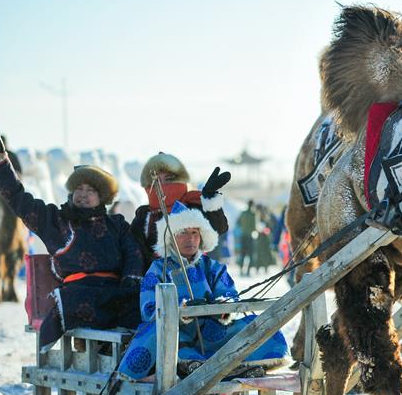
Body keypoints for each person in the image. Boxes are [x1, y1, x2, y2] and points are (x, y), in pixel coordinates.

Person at [0, 127, 143, 351]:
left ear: (102, 197)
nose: (83, 194)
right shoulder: (56, 221)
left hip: (114, 293)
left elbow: (133, 254)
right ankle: (91, 347)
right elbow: (20, 200)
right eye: (79, 188)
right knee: (81, 304)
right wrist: (2, 162)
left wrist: (130, 282)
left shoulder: (116, 225)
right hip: (77, 294)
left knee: (141, 310)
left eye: (90, 190)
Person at [117, 200, 288, 381]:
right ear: (171, 237)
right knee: (163, 334)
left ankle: (238, 365)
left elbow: (230, 294)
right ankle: (193, 366)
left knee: (256, 323)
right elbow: (149, 308)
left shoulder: (212, 267)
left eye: (194, 233)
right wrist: (181, 311)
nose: (190, 239)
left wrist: (224, 307)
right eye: (183, 233)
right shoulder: (158, 268)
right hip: (179, 333)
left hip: (212, 331)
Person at [131, 152, 230, 272]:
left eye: (168, 179)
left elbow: (219, 227)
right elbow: (134, 248)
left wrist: (210, 200)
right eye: (157, 181)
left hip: (193, 275)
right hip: (153, 278)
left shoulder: (192, 205)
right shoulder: (144, 215)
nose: (162, 185)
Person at [236, 200, 257, 276]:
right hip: (250, 237)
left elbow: (238, 222)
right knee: (250, 255)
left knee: (242, 254)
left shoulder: (243, 213)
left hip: (243, 236)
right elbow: (254, 227)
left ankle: (241, 271)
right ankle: (248, 272)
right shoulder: (253, 214)